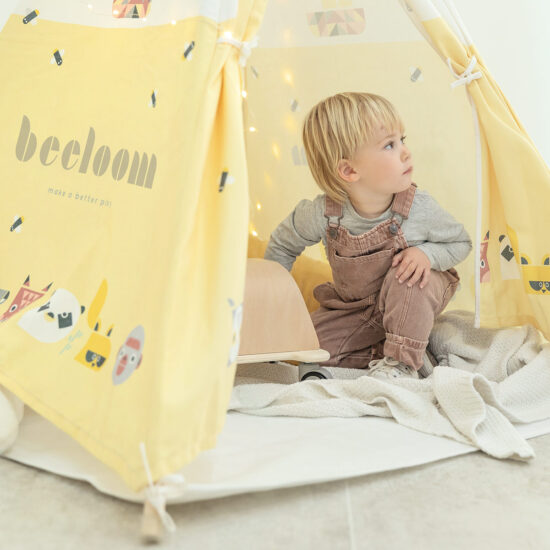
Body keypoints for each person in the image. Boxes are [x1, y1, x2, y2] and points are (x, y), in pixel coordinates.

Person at [264, 92, 472, 380]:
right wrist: (273, 297)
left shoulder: (418, 207)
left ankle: (401, 364)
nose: (405, 152)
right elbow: (282, 245)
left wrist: (426, 254)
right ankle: (385, 351)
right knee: (306, 349)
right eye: (389, 145)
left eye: (402, 140)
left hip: (415, 293)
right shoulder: (323, 213)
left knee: (407, 279)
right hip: (357, 309)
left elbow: (461, 242)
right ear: (349, 170)